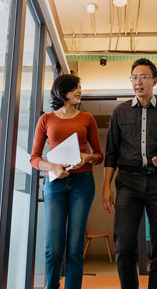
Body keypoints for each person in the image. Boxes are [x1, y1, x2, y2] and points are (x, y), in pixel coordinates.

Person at [102, 58, 157, 289]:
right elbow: (111, 154)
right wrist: (106, 187)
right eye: (134, 77)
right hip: (128, 183)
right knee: (124, 245)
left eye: (143, 77)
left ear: (155, 80)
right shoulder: (119, 112)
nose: (138, 82)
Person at [30, 74, 103, 289]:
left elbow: (99, 155)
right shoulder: (46, 120)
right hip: (55, 184)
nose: (79, 91)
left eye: (80, 87)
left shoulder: (87, 118)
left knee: (74, 247)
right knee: (53, 247)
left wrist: (87, 158)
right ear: (62, 92)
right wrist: (52, 167)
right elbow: (34, 158)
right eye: (75, 88)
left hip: (82, 182)